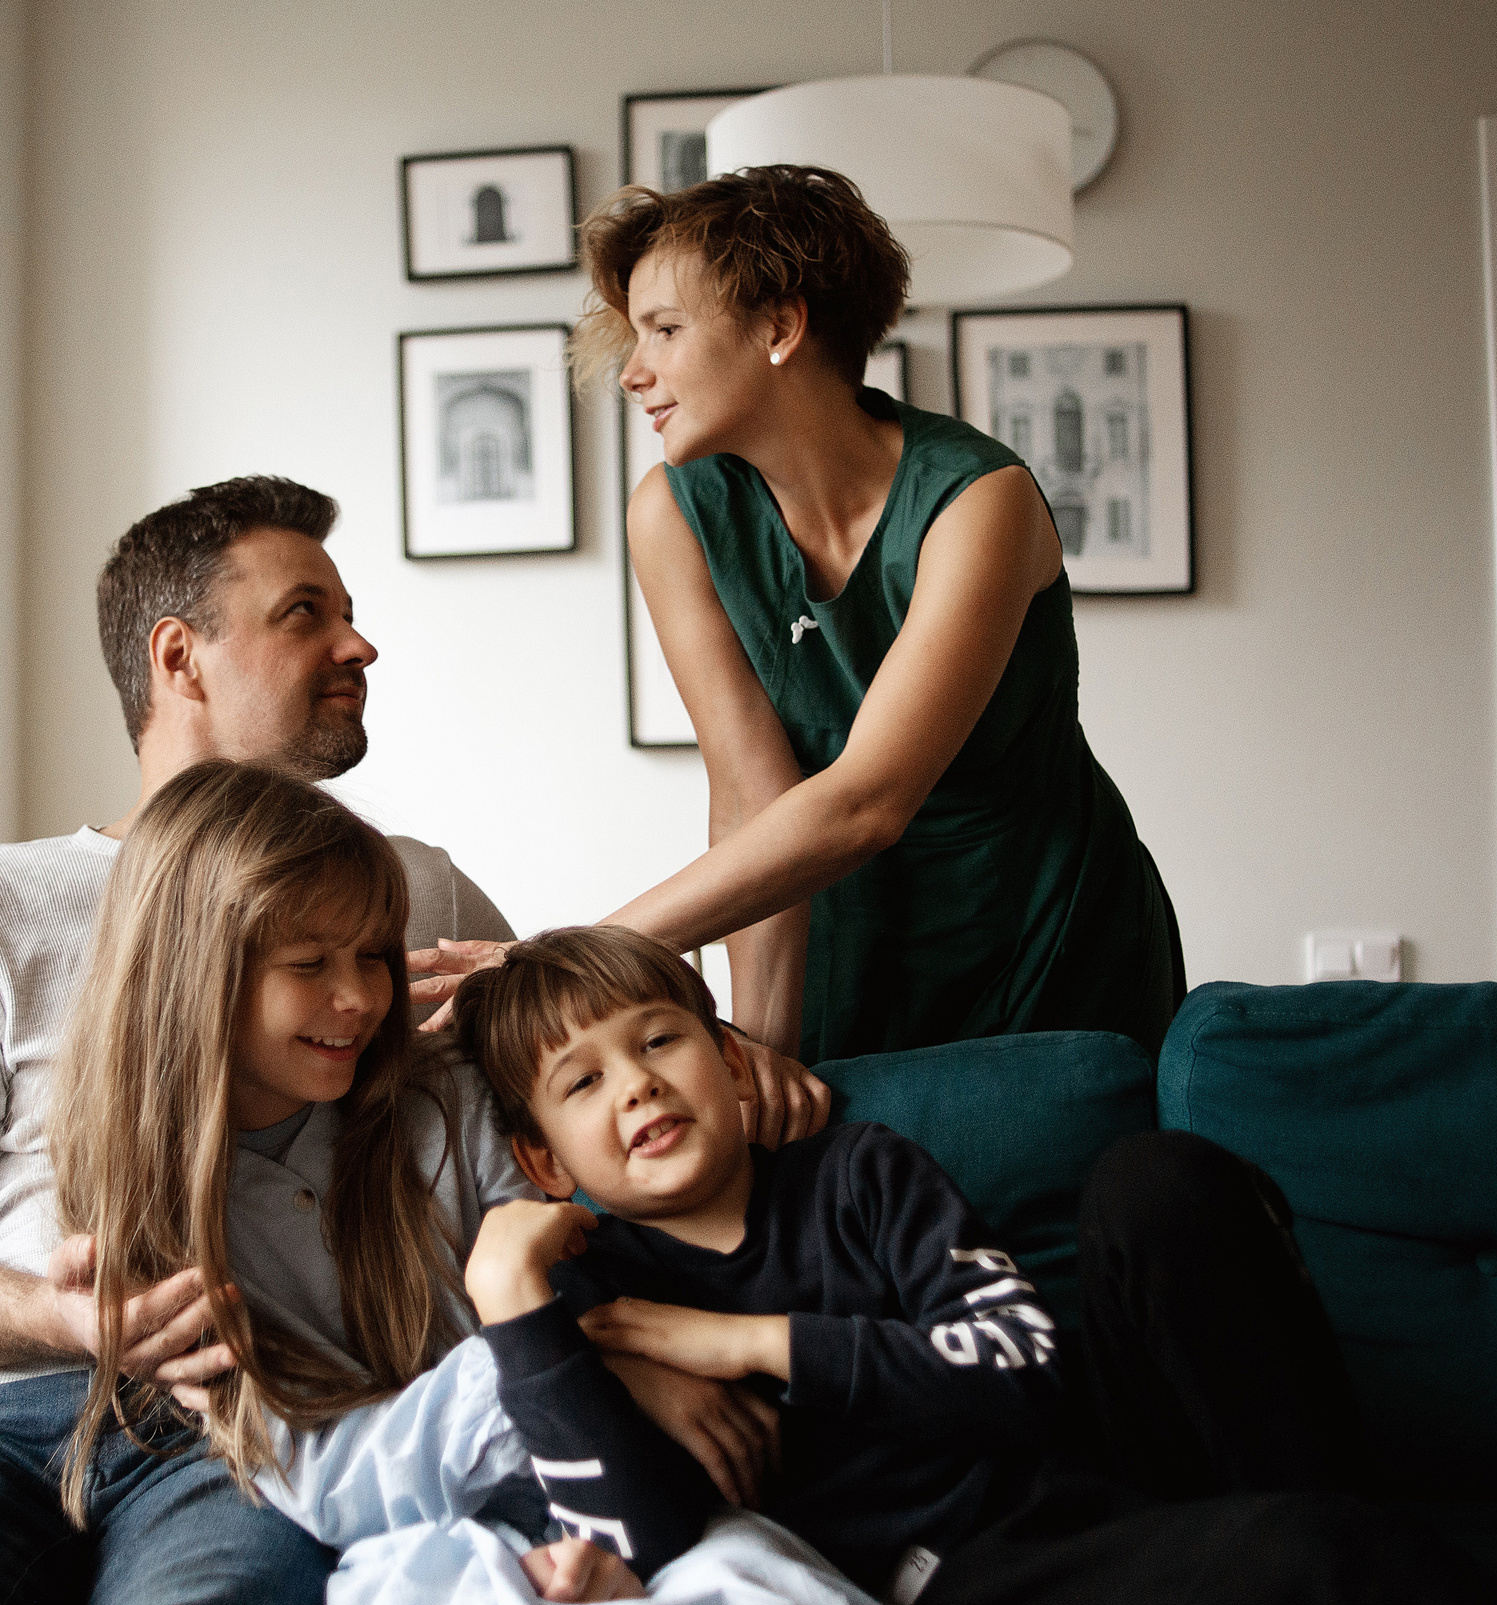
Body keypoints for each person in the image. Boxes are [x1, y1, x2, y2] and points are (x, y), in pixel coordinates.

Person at [0, 476, 797, 1605]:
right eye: (306, 613)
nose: (359, 644)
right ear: (180, 657)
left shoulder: (412, 893)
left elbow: (588, 1064)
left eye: (348, 613)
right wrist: (73, 1318)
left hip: (257, 1430)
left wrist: (720, 1051)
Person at [448, 927, 1497, 1605]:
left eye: (662, 1039)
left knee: (1159, 1178)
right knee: (1303, 1569)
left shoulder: (862, 1174)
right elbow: (650, 1537)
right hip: (958, 1586)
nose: (638, 1085)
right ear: (543, 1158)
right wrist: (515, 1301)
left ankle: (1316, 1551)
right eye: (583, 1077)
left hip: (1084, 1481)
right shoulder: (589, 1297)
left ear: (734, 1063)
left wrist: (745, 1343)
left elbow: (1019, 1370)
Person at [46, 760, 990, 1605]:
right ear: (195, 975)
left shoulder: (443, 1097)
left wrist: (593, 1489)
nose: (360, 998)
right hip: (407, 1549)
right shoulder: (155, 1210)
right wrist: (583, 1369)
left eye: (372, 955)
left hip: (609, 1473)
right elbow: (323, 1474)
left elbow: (578, 1255)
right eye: (309, 965)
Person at [416, 167, 1182, 1066]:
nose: (632, 371)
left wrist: (564, 962)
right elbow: (750, 796)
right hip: (849, 944)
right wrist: (758, 1053)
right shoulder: (670, 512)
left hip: (1050, 938)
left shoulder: (982, 502)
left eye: (665, 329)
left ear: (780, 327)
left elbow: (866, 803)